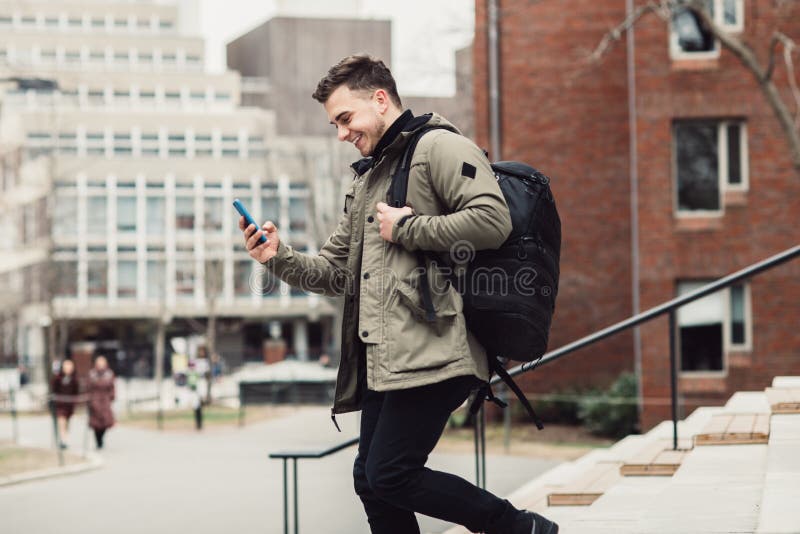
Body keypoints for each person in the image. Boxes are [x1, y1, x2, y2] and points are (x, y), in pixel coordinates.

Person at [240, 55, 558, 534]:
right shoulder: (369, 177)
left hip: (436, 349)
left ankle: (518, 527)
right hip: (387, 360)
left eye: (345, 119)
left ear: (380, 99)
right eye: (335, 124)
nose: (341, 133)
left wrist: (408, 226)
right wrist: (276, 257)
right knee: (371, 480)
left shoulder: (439, 147)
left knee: (390, 473)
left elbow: (494, 219)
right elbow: (333, 271)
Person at [87, 355, 116, 450]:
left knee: (105, 422)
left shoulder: (109, 374)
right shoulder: (92, 374)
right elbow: (88, 387)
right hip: (95, 399)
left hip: (105, 400)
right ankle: (98, 439)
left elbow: (112, 387)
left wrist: (112, 397)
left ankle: (101, 437)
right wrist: (89, 399)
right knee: (96, 423)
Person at [50, 359, 79, 449]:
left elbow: (76, 392)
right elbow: (54, 390)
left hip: (69, 405)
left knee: (67, 423)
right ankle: (63, 440)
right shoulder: (58, 378)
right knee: (61, 422)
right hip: (60, 405)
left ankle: (65, 438)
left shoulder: (74, 380)